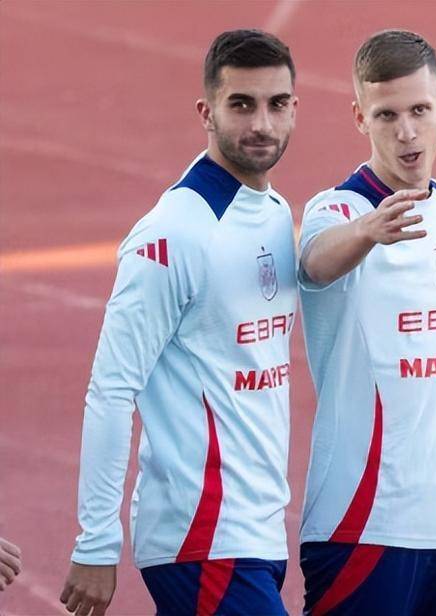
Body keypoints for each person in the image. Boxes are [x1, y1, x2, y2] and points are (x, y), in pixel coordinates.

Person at [60, 29, 299, 616]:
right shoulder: (174, 232)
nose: (262, 124)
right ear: (206, 112)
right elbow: (111, 389)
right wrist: (97, 541)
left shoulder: (274, 212)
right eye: (241, 104)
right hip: (201, 533)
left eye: (276, 104)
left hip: (259, 530)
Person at [295, 30, 436, 615]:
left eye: (420, 110)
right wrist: (367, 232)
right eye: (386, 115)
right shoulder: (339, 209)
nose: (406, 132)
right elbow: (314, 262)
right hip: (366, 527)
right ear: (359, 118)